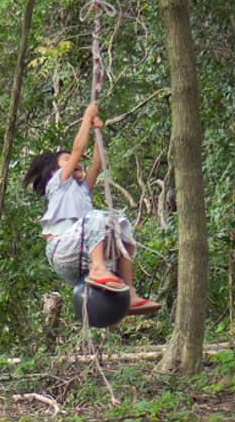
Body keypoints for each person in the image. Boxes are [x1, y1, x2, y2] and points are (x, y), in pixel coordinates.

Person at [22, 100, 160, 316]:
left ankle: (129, 294)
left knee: (121, 225)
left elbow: (97, 164)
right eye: (67, 160)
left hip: (81, 256)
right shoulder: (57, 183)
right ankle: (98, 268)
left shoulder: (82, 189)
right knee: (96, 217)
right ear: (54, 172)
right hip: (63, 251)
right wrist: (86, 118)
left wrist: (98, 133)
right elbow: (78, 149)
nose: (76, 161)